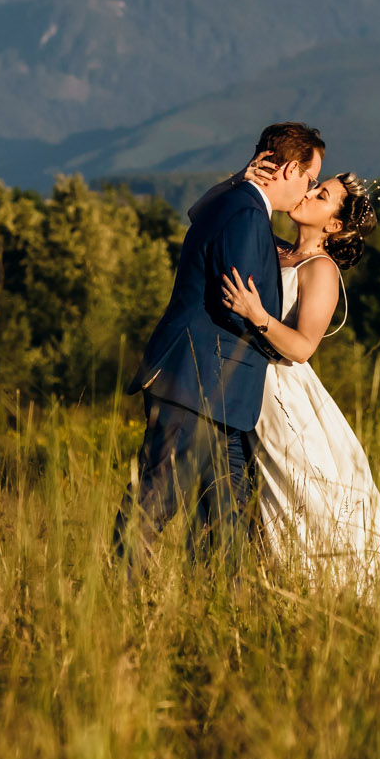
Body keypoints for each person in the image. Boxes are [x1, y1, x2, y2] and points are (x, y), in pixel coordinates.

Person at [219, 171, 380, 607]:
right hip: (247, 387)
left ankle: (342, 595)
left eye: (321, 195)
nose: (308, 194)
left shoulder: (320, 269)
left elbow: (302, 348)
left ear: (334, 225)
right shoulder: (274, 250)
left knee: (307, 498)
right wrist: (243, 178)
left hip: (283, 394)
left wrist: (257, 314)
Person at [113, 122, 325, 581]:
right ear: (289, 168)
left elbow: (198, 216)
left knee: (228, 514)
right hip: (199, 381)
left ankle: (217, 609)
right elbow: (237, 306)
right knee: (158, 495)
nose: (308, 190)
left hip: (222, 391)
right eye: (309, 179)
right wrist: (273, 333)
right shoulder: (248, 212)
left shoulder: (236, 202)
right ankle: (116, 594)